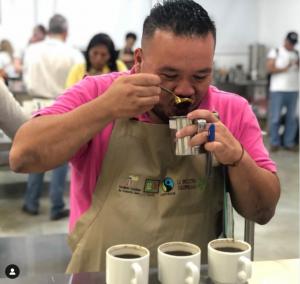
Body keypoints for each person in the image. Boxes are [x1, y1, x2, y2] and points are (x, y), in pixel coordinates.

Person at [10, 0, 280, 272]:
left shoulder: (231, 110)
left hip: (191, 275)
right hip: (103, 274)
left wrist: (237, 158)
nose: (186, 90)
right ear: (139, 60)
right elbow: (23, 156)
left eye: (200, 76)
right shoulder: (98, 92)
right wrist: (105, 108)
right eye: (169, 75)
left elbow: (263, 211)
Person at [22, 14, 84, 220]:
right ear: (65, 32)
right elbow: (79, 84)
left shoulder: (32, 50)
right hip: (63, 105)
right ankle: (56, 206)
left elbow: (25, 80)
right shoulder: (74, 54)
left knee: (35, 154)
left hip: (36, 105)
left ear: (48, 30)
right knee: (60, 158)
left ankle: (31, 202)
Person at [266, 31, 299, 152]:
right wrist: (286, 67)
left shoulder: (296, 53)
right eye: (290, 43)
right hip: (278, 90)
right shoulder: (276, 51)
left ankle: (289, 143)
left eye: (293, 44)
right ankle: (275, 143)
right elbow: (269, 68)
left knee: (291, 118)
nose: (291, 46)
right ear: (285, 40)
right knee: (275, 118)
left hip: (293, 90)